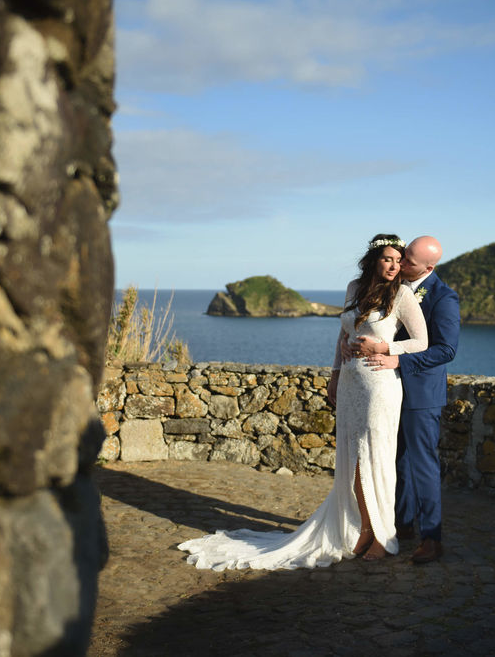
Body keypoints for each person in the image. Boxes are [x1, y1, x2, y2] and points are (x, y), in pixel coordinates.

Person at [177, 234, 428, 570]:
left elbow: (422, 342)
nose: (394, 266)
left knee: (375, 458)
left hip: (380, 385)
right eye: (388, 259)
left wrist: (387, 349)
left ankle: (381, 535)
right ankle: (362, 529)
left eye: (399, 261)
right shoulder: (355, 288)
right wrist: (336, 375)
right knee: (351, 456)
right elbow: (343, 335)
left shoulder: (403, 295)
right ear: (373, 260)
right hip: (352, 382)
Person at [352, 236, 460, 564]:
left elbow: (446, 350)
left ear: (430, 267)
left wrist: (397, 359)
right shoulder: (390, 287)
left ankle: (432, 538)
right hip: (384, 389)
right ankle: (399, 525)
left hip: (421, 394)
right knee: (392, 459)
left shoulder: (443, 297)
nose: (401, 265)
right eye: (401, 258)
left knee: (422, 463)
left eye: (409, 262)